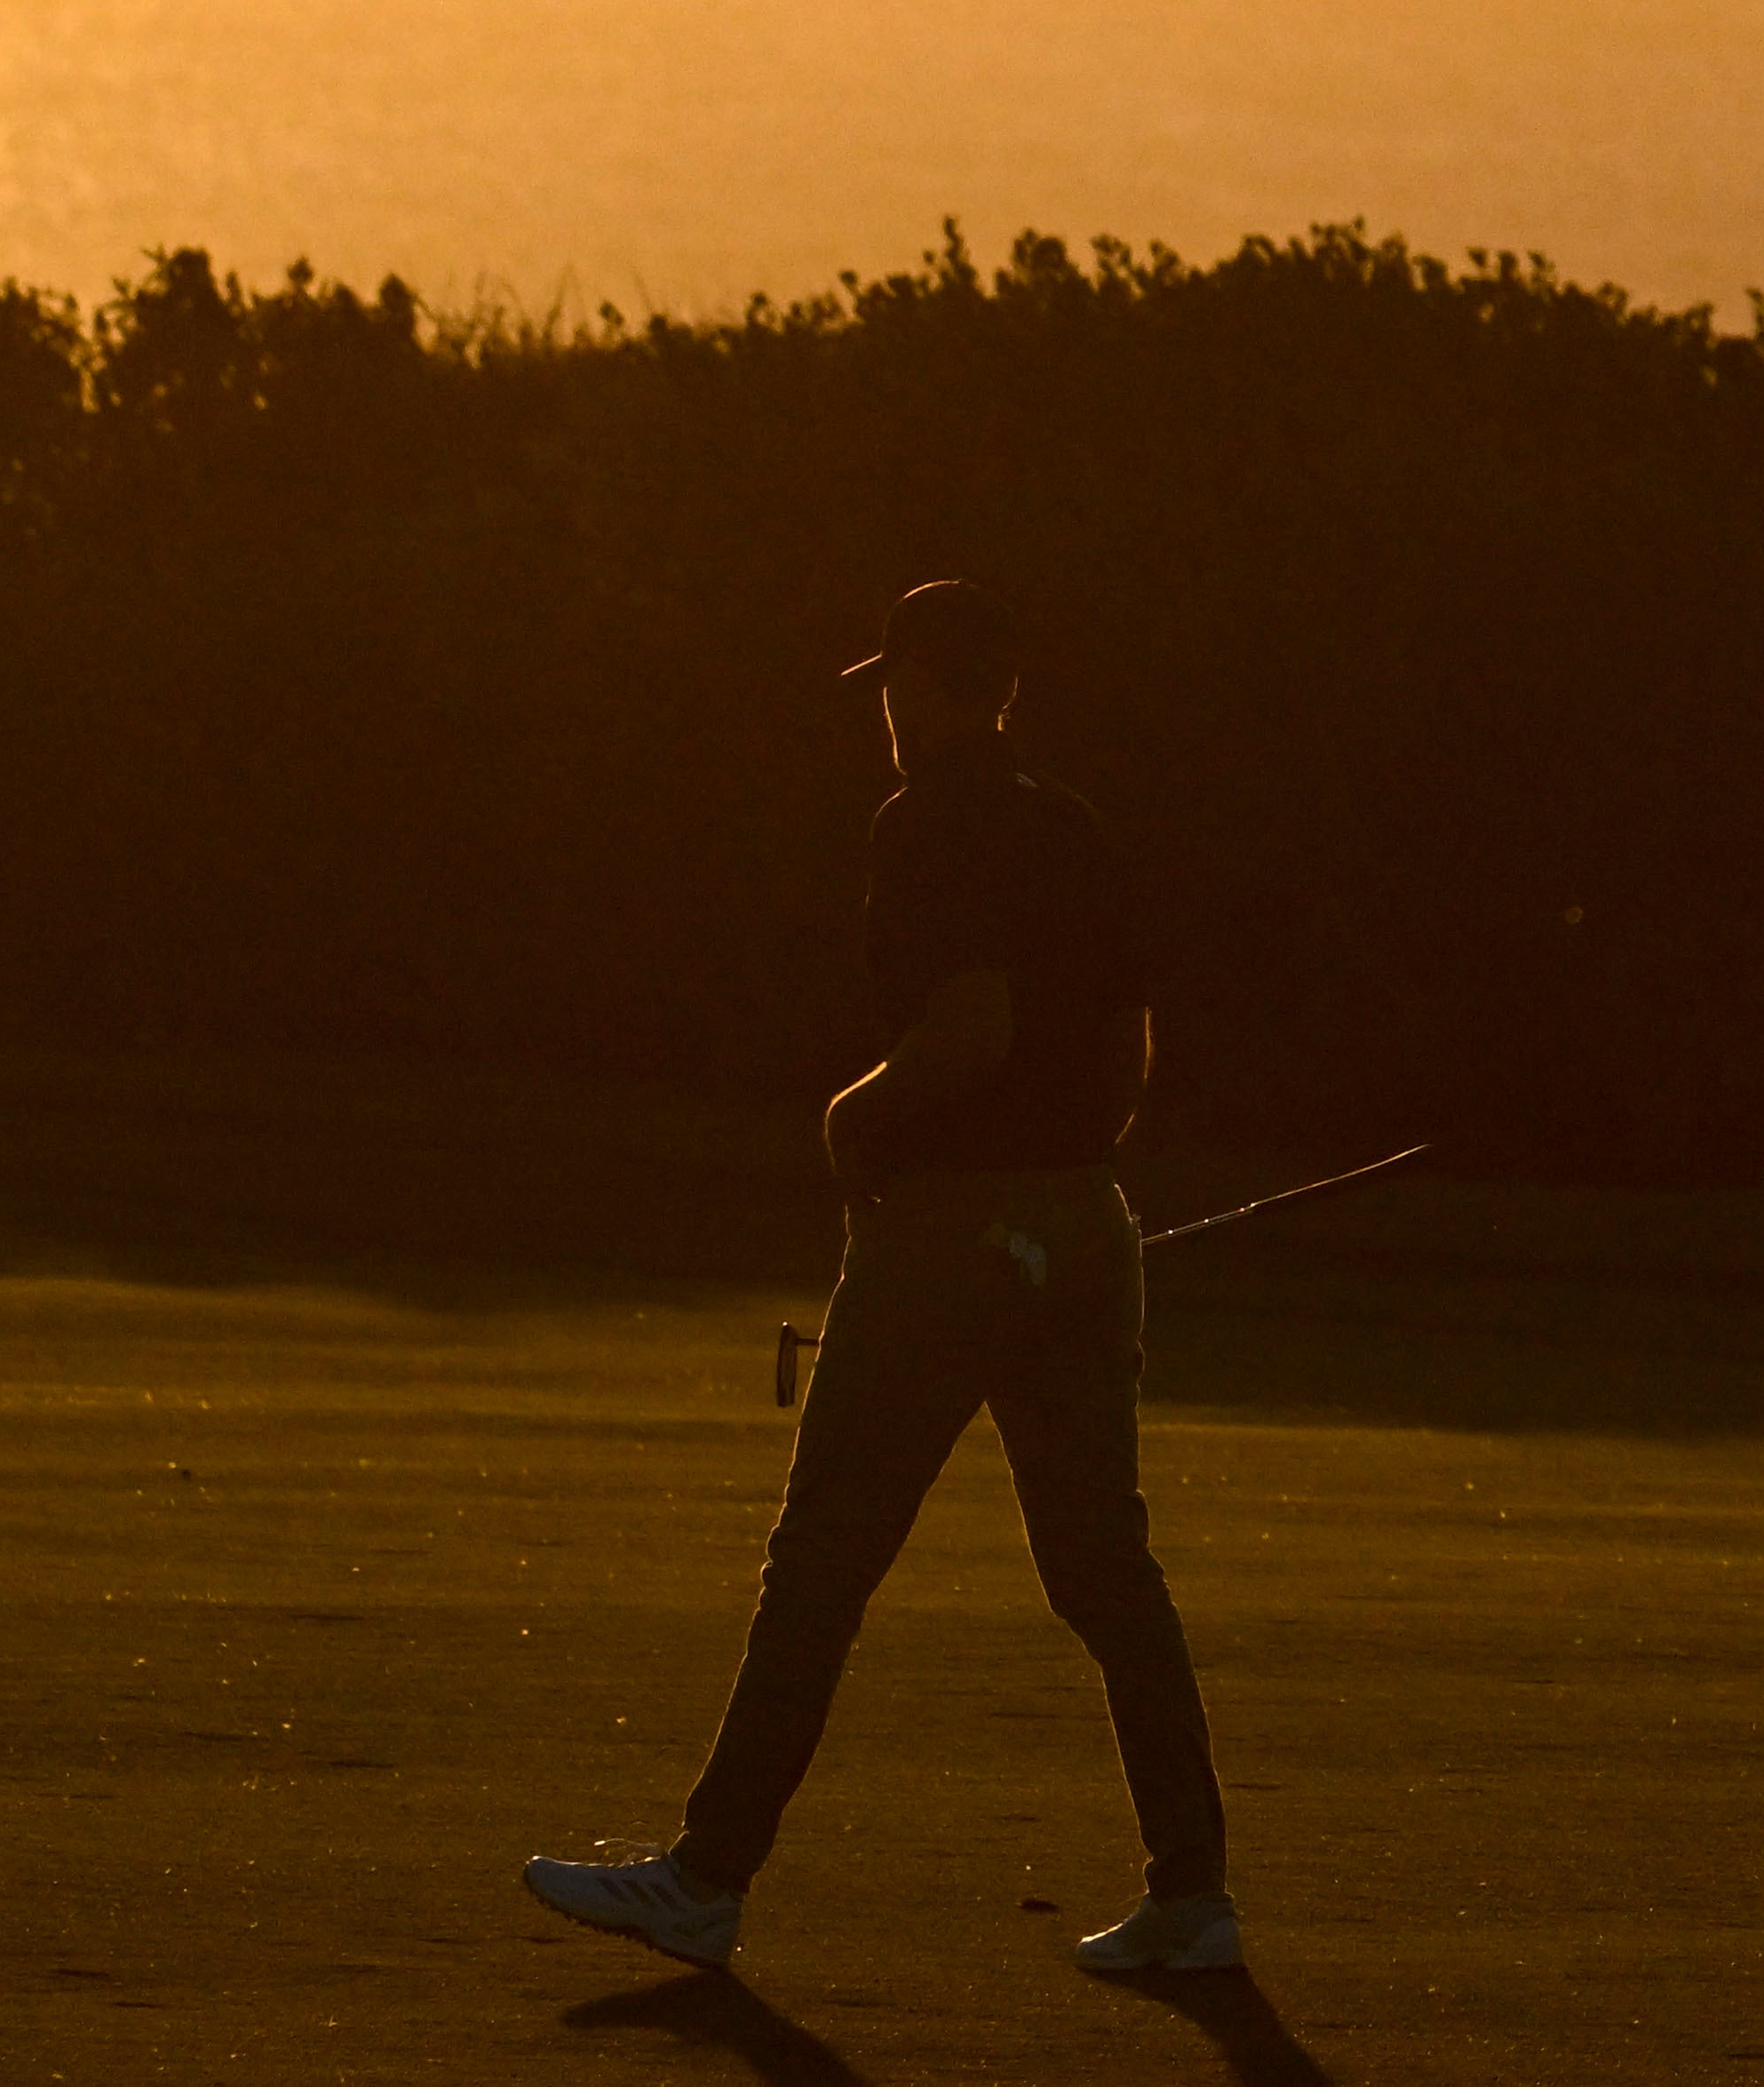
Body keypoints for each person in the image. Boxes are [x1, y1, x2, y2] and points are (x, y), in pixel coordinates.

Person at [528, 579, 1247, 1985]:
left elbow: (970, 1028)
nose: (883, 710)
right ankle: (1194, 1897)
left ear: (923, 688)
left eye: (891, 684)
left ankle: (705, 1879)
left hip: (948, 1237)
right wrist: (1061, 1192)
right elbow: (1124, 1057)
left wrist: (852, 1120)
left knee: (822, 1561)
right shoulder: (1075, 827)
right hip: (1082, 1229)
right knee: (1106, 1573)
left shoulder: (926, 826)